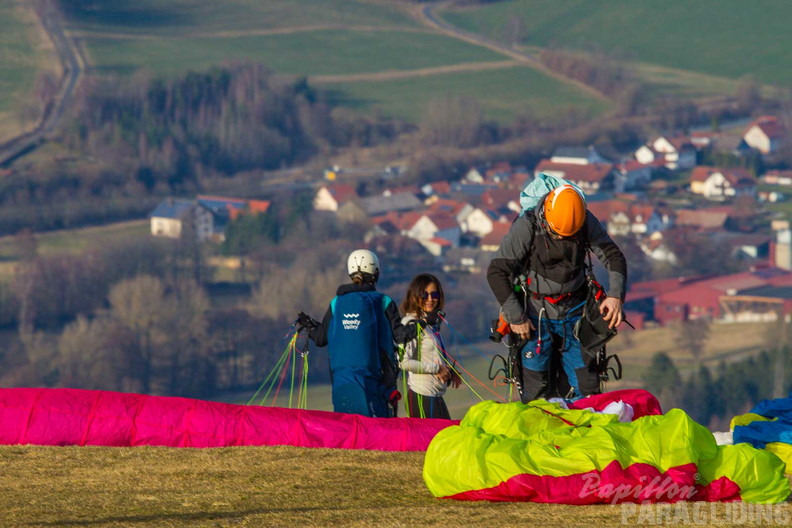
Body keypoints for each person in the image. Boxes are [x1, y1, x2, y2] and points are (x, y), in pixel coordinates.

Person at [486, 184, 627, 402]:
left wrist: (616, 295)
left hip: (575, 314)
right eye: (555, 233)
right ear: (546, 217)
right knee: (535, 391)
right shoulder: (528, 226)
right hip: (534, 318)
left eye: (568, 236)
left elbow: (613, 255)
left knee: (587, 388)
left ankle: (586, 433)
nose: (561, 238)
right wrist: (516, 317)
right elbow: (497, 272)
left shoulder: (584, 221)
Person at [301, 249, 416, 417]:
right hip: (379, 383)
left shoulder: (336, 303)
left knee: (349, 431)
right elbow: (400, 336)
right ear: (376, 273)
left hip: (341, 382)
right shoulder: (384, 301)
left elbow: (320, 338)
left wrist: (309, 326)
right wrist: (420, 324)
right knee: (381, 432)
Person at [399, 273, 461, 419]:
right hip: (421, 396)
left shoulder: (429, 324)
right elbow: (403, 362)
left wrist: (449, 371)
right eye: (424, 294)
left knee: (446, 437)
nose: (430, 299)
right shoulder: (411, 324)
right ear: (414, 296)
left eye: (434, 294)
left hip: (435, 395)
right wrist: (436, 369)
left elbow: (430, 356)